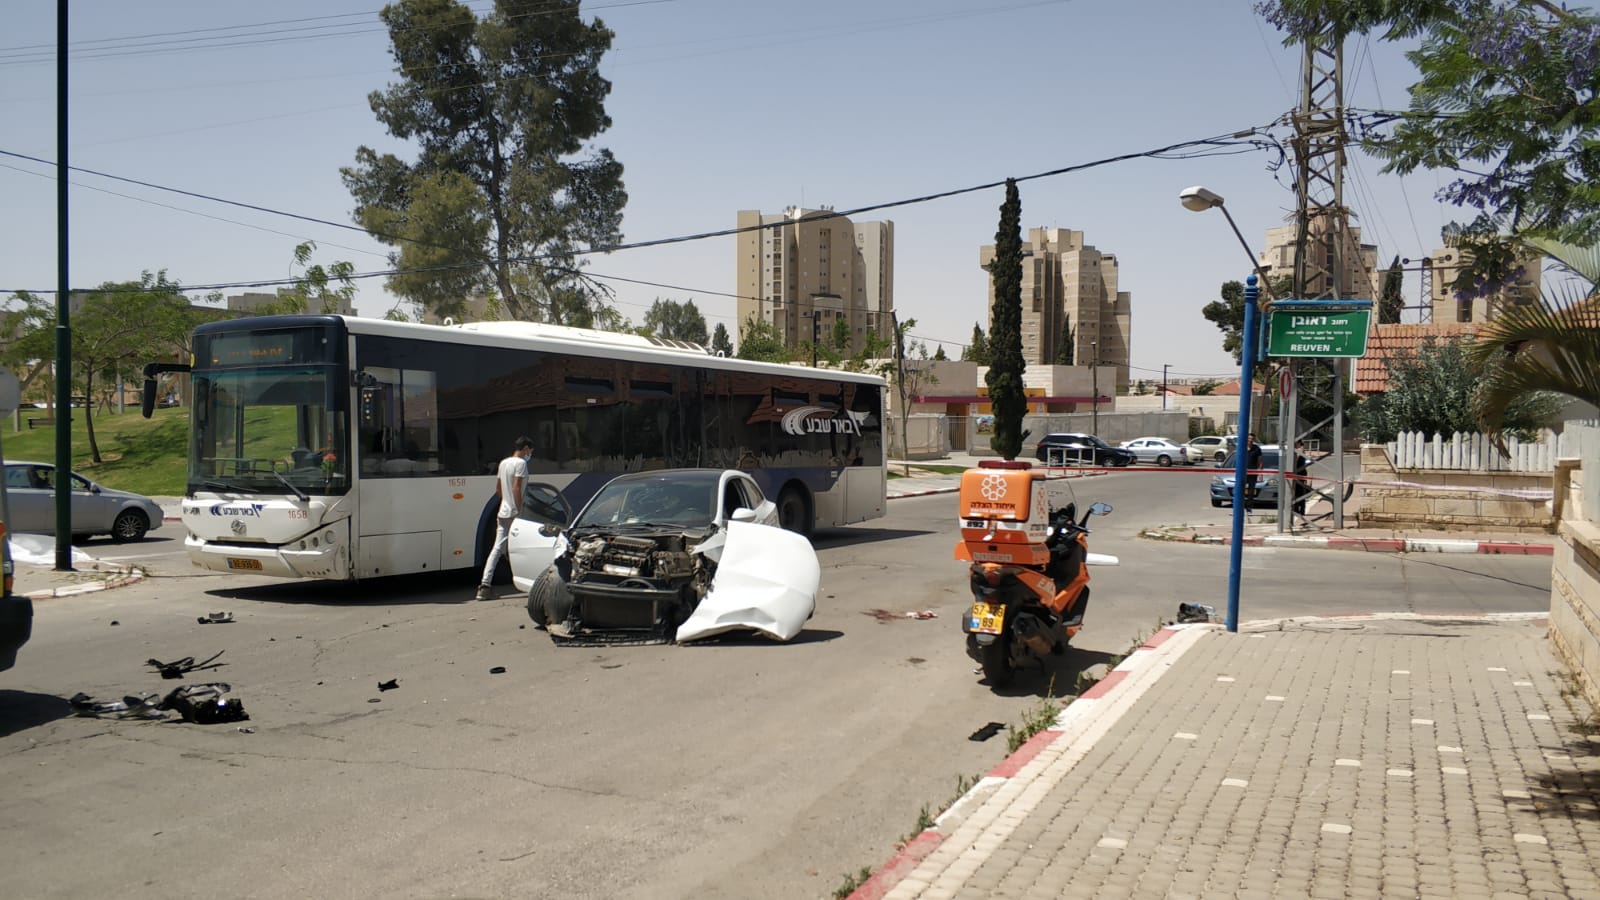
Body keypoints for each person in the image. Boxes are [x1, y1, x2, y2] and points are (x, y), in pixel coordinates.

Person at [476, 436, 534, 601]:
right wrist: (518, 509)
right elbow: (517, 487)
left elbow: (499, 489)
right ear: (525, 449)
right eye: (530, 451)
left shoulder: (503, 463)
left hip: (502, 511)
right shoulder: (521, 464)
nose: (530, 454)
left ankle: (485, 585)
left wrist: (505, 502)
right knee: (524, 546)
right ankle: (530, 582)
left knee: (497, 548)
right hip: (514, 513)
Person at [1292, 440, 1312, 514]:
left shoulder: (1300, 450)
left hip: (1300, 473)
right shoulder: (1297, 450)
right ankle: (1296, 508)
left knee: (1300, 492)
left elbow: (1296, 459)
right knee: (1295, 492)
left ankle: (1301, 509)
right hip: (1295, 473)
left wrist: (1299, 450)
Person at [1243, 433, 1262, 502]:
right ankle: (1239, 507)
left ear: (1254, 440)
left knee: (1251, 492)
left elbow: (1260, 461)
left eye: (1252, 439)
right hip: (1243, 473)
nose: (1250, 440)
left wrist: (1260, 473)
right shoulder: (1242, 448)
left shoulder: (1257, 449)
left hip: (1253, 473)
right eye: (1249, 438)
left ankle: (1249, 508)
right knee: (1240, 490)